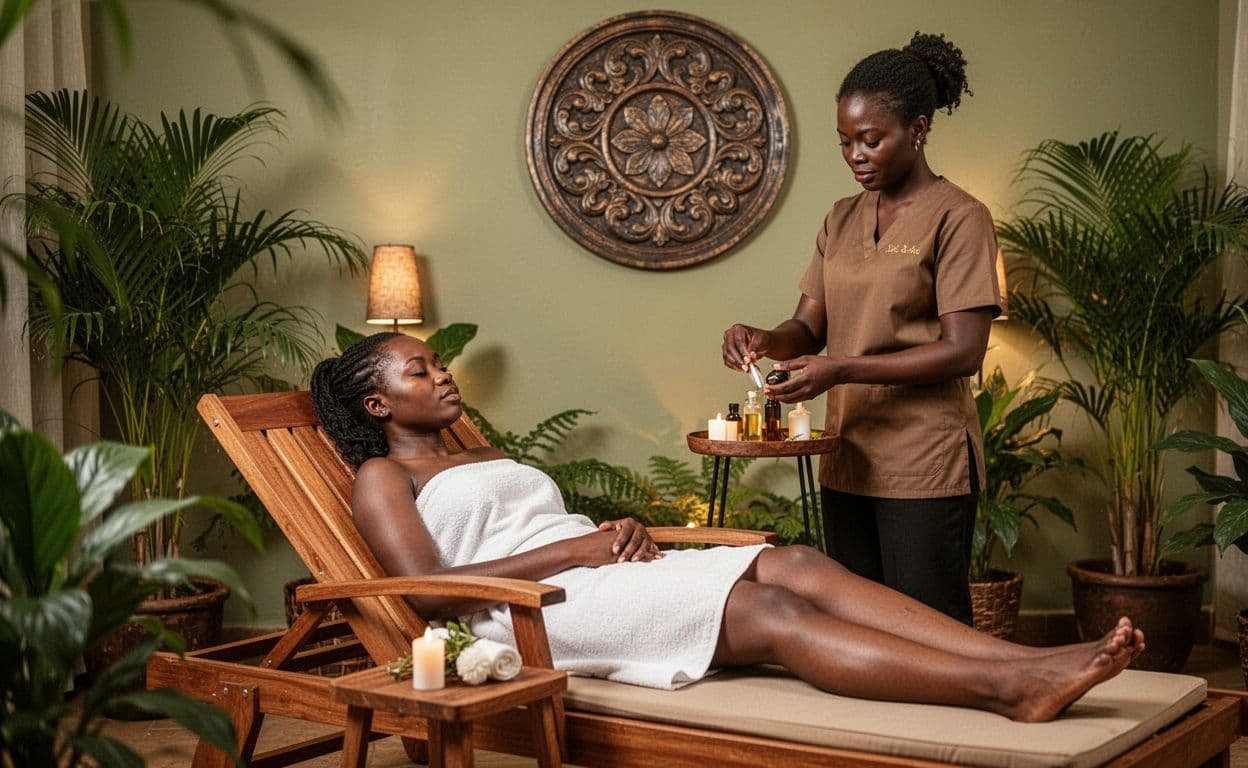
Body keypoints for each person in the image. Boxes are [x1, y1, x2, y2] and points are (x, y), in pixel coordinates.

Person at [309, 333, 1143, 722]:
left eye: (436, 360)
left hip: (593, 572)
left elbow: (539, 522)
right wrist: (583, 548)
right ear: (379, 404)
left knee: (799, 562)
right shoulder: (385, 477)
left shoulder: (476, 449)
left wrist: (618, 534)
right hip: (529, 615)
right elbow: (431, 599)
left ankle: (1025, 658)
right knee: (772, 616)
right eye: (420, 369)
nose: (442, 372)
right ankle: (1006, 690)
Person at [722, 32, 999, 624]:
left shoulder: (960, 217)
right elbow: (807, 327)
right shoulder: (841, 218)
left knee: (929, 626)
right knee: (857, 624)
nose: (856, 155)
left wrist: (842, 369)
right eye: (845, 142)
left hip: (924, 461)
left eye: (871, 140)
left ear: (918, 129)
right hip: (849, 455)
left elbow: (963, 351)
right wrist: (764, 339)